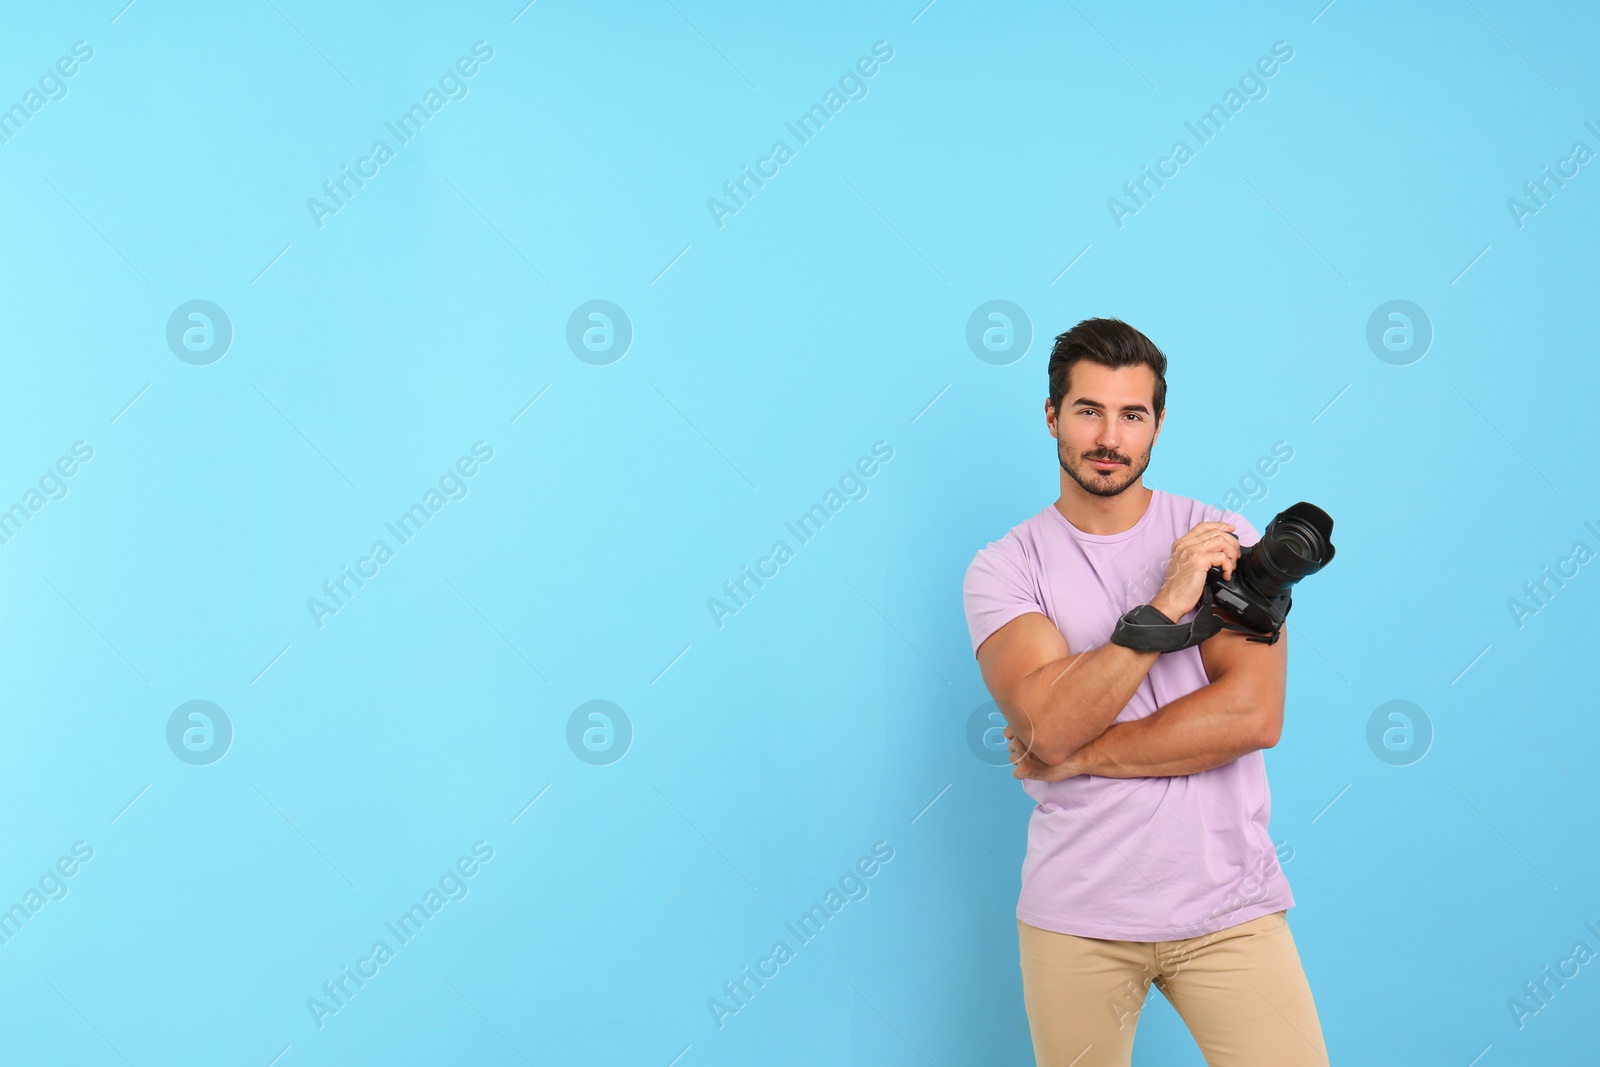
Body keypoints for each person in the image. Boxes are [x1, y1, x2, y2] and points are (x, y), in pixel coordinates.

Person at [961, 318, 1330, 1066]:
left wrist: (1074, 755)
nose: (1110, 435)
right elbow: (1046, 723)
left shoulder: (1222, 538)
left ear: (1158, 422)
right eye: (1088, 409)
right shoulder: (1005, 568)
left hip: (1229, 905)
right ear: (1051, 415)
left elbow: (1250, 715)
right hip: (1078, 913)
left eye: (1132, 414)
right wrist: (1166, 606)